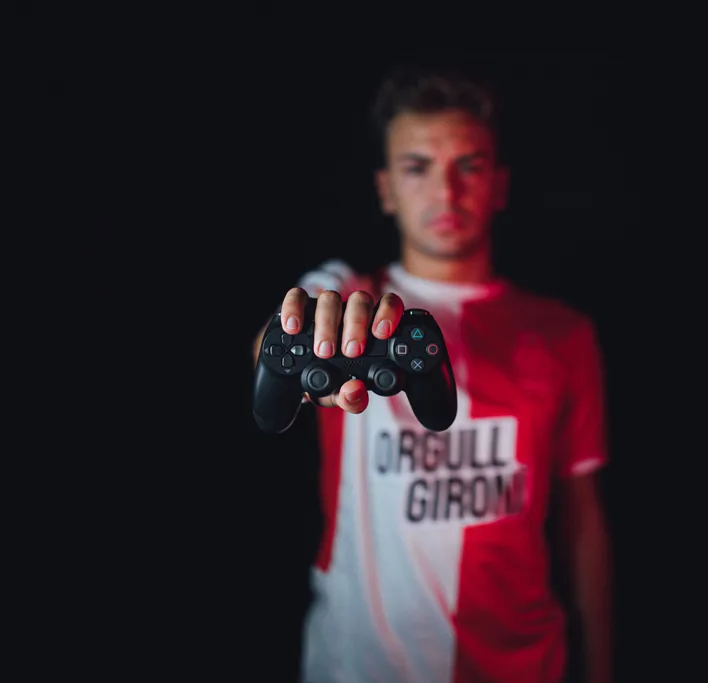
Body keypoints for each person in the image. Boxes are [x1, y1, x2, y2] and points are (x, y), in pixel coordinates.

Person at [252, 66, 613, 683]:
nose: (446, 191)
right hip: (361, 666)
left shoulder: (564, 334)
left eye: (469, 165)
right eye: (417, 167)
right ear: (386, 189)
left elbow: (582, 525)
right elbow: (280, 334)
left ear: (499, 185)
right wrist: (302, 341)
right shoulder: (353, 297)